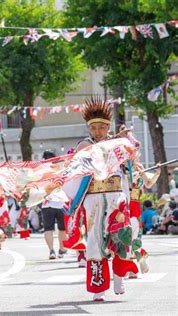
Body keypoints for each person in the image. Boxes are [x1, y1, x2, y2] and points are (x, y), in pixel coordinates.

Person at [63, 96, 138, 301]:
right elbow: (90, 157)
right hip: (93, 198)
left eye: (102, 128)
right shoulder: (84, 145)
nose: (98, 131)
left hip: (116, 196)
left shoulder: (117, 144)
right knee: (96, 241)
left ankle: (119, 276)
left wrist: (125, 143)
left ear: (107, 127)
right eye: (94, 128)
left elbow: (131, 159)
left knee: (121, 235)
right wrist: (116, 140)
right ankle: (98, 286)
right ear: (89, 129)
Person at [41, 151, 67, 260]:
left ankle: (51, 251)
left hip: (47, 203)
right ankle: (61, 249)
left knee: (48, 228)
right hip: (60, 202)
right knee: (62, 228)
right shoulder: (60, 170)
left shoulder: (41, 172)